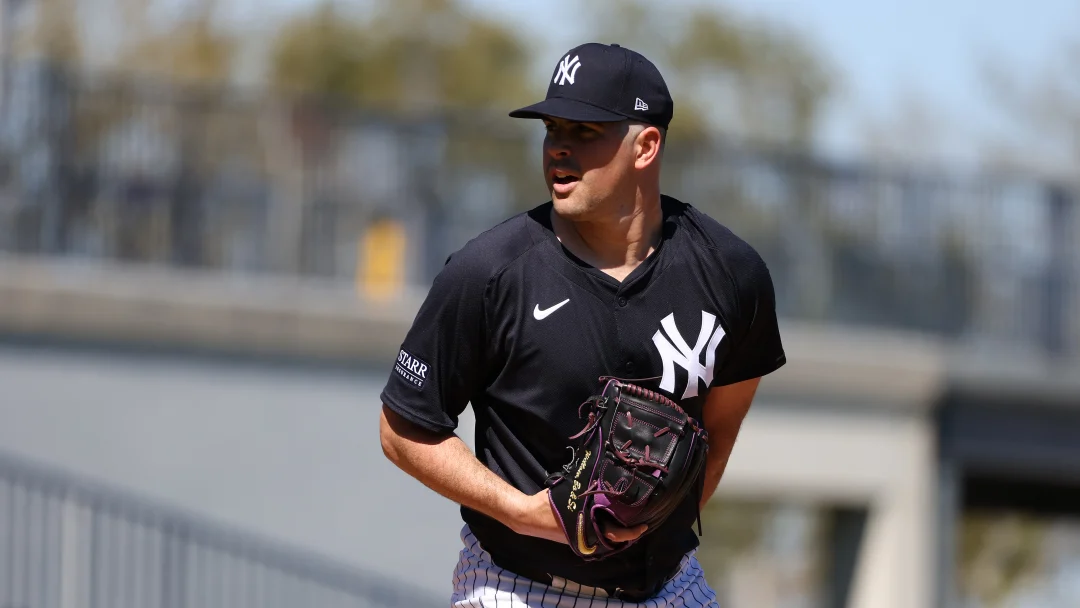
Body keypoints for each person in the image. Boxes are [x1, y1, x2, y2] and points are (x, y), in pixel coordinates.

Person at [379, 42, 786, 607]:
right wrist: (521, 512)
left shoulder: (732, 274)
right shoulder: (490, 272)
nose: (559, 149)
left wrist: (656, 521)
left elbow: (719, 432)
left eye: (585, 131)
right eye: (552, 129)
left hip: (668, 587)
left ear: (646, 145)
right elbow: (403, 429)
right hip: (514, 584)